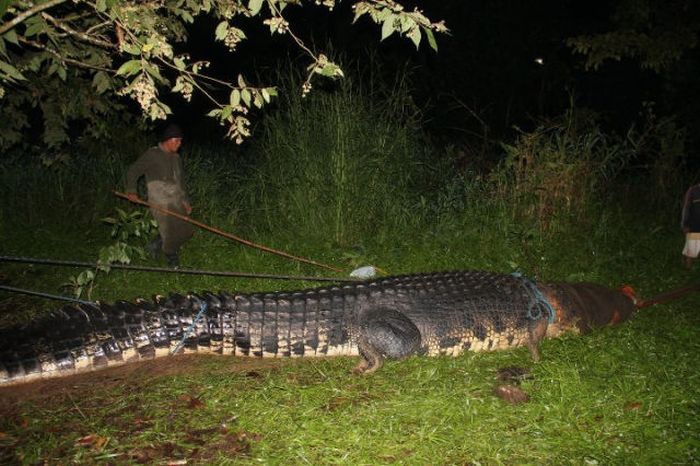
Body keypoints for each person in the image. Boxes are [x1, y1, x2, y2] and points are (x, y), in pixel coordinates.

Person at [125, 124, 193, 268]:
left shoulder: (176, 158)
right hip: (159, 200)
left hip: (176, 199)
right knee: (170, 230)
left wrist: (185, 201)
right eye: (177, 140)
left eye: (180, 140)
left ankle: (154, 245)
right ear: (167, 140)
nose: (179, 144)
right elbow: (133, 171)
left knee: (185, 230)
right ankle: (171, 258)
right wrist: (131, 191)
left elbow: (181, 182)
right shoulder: (153, 154)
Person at [681, 182, 700, 268]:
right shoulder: (693, 190)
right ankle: (686, 271)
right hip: (694, 225)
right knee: (691, 250)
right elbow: (686, 208)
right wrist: (684, 224)